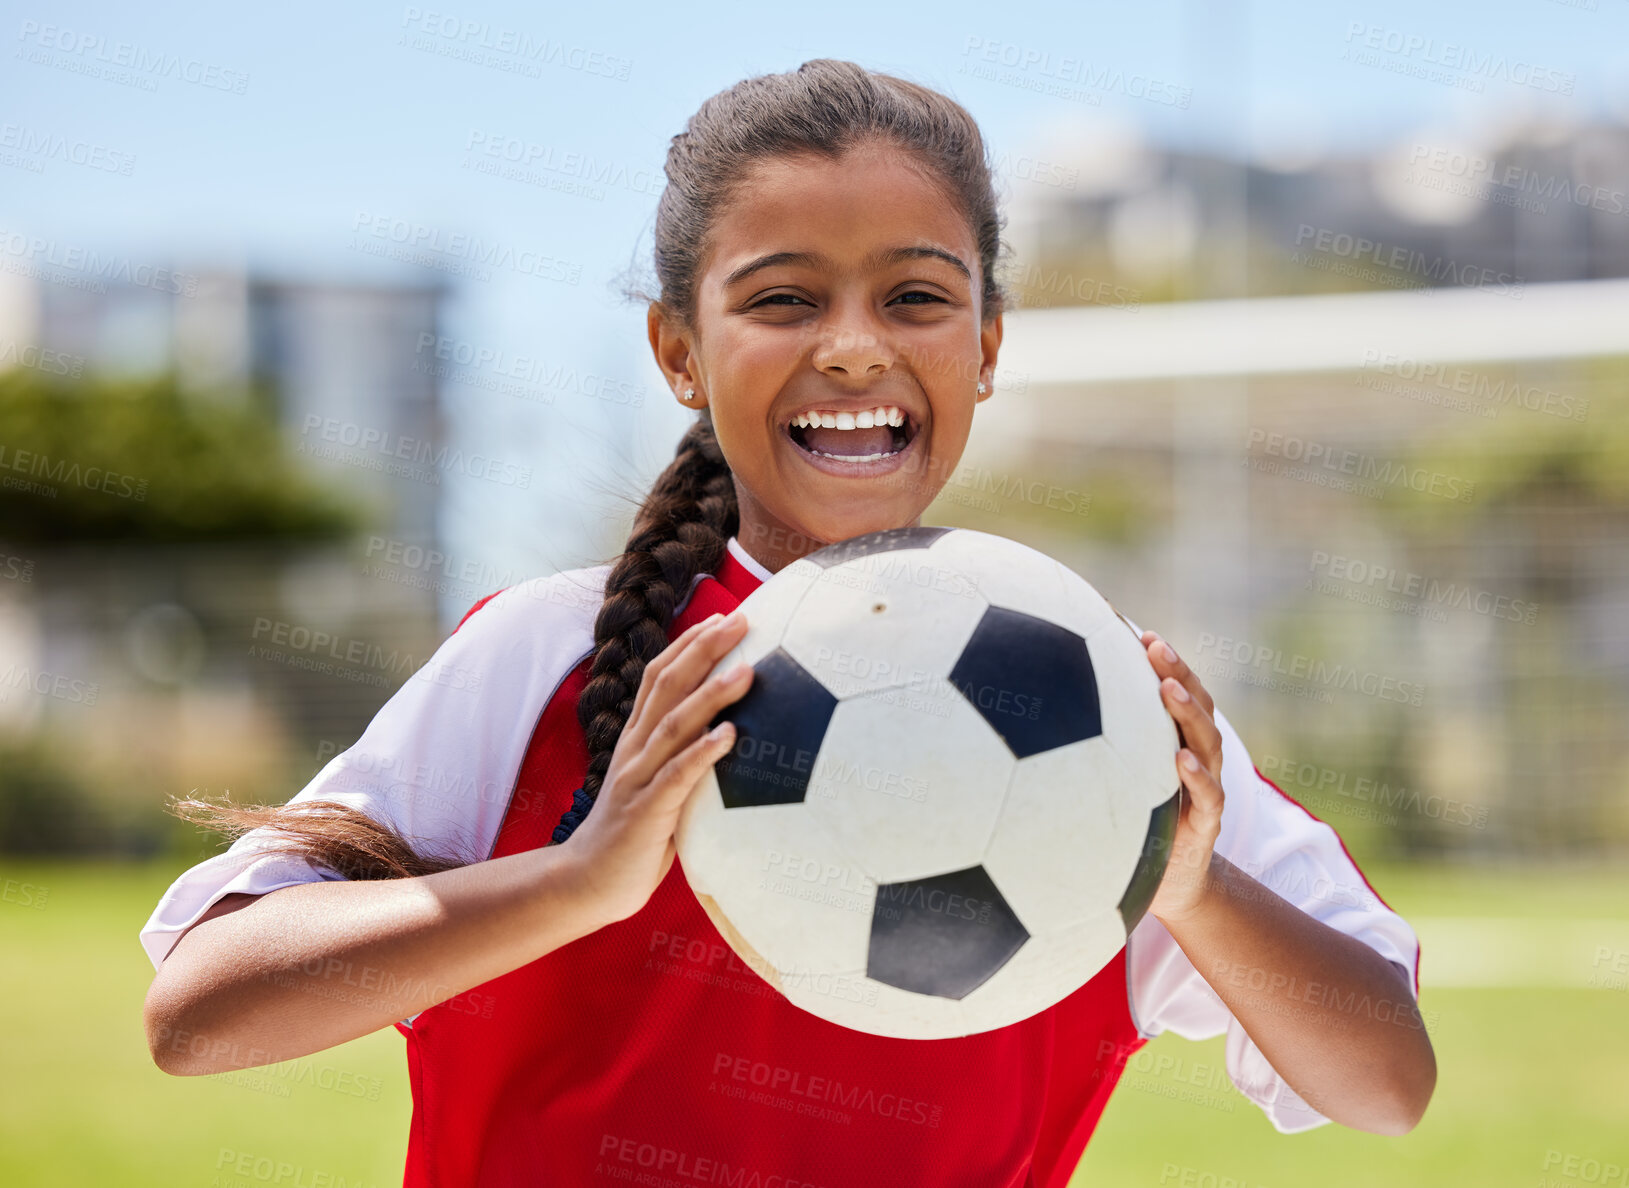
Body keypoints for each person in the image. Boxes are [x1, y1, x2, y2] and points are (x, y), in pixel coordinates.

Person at [140, 58, 1435, 1188]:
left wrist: (1189, 883)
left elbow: (1384, 1085)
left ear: (987, 344)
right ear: (678, 351)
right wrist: (580, 882)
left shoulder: (1105, 705)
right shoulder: (556, 652)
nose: (857, 348)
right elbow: (199, 1015)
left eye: (917, 298)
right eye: (783, 300)